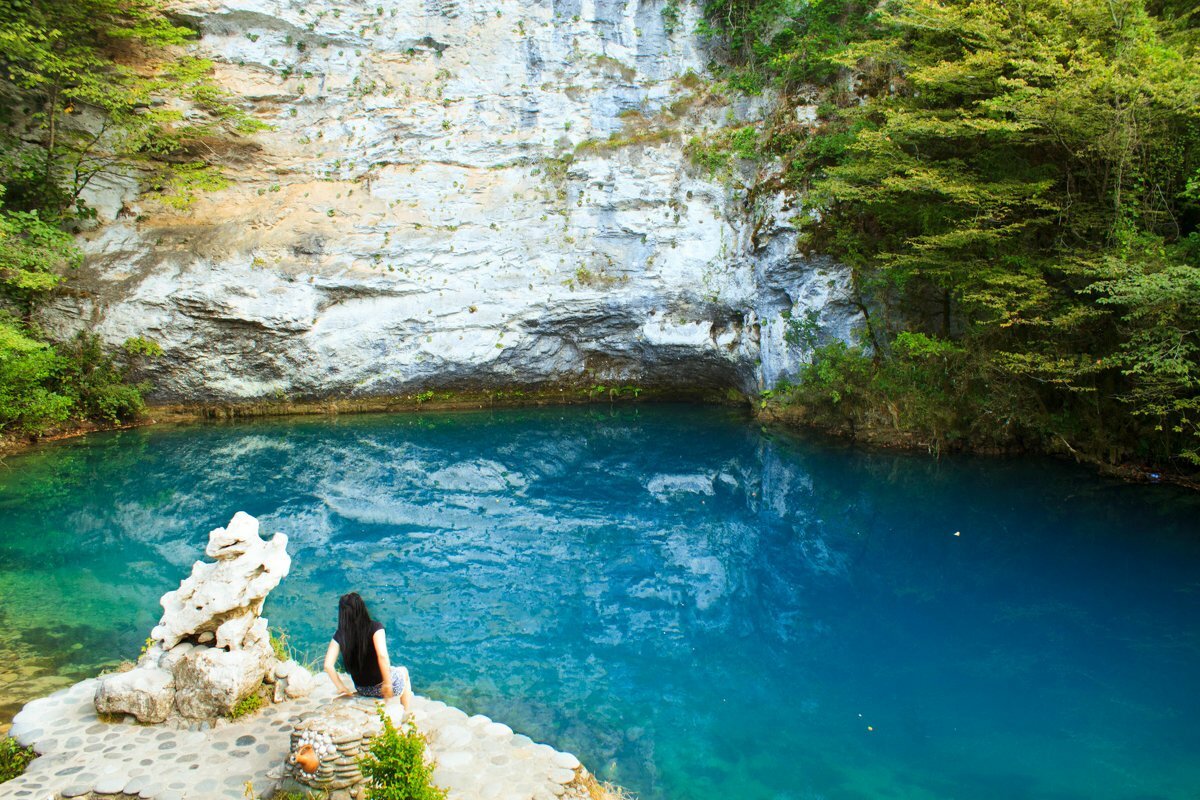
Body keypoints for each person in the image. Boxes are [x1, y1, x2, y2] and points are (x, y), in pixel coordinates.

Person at [323, 592, 412, 711]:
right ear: (362, 608)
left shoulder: (340, 634)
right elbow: (382, 656)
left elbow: (328, 666)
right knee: (403, 671)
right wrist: (387, 683)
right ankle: (407, 713)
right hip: (381, 688)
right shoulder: (375, 627)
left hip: (362, 689)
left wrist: (341, 687)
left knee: (393, 669)